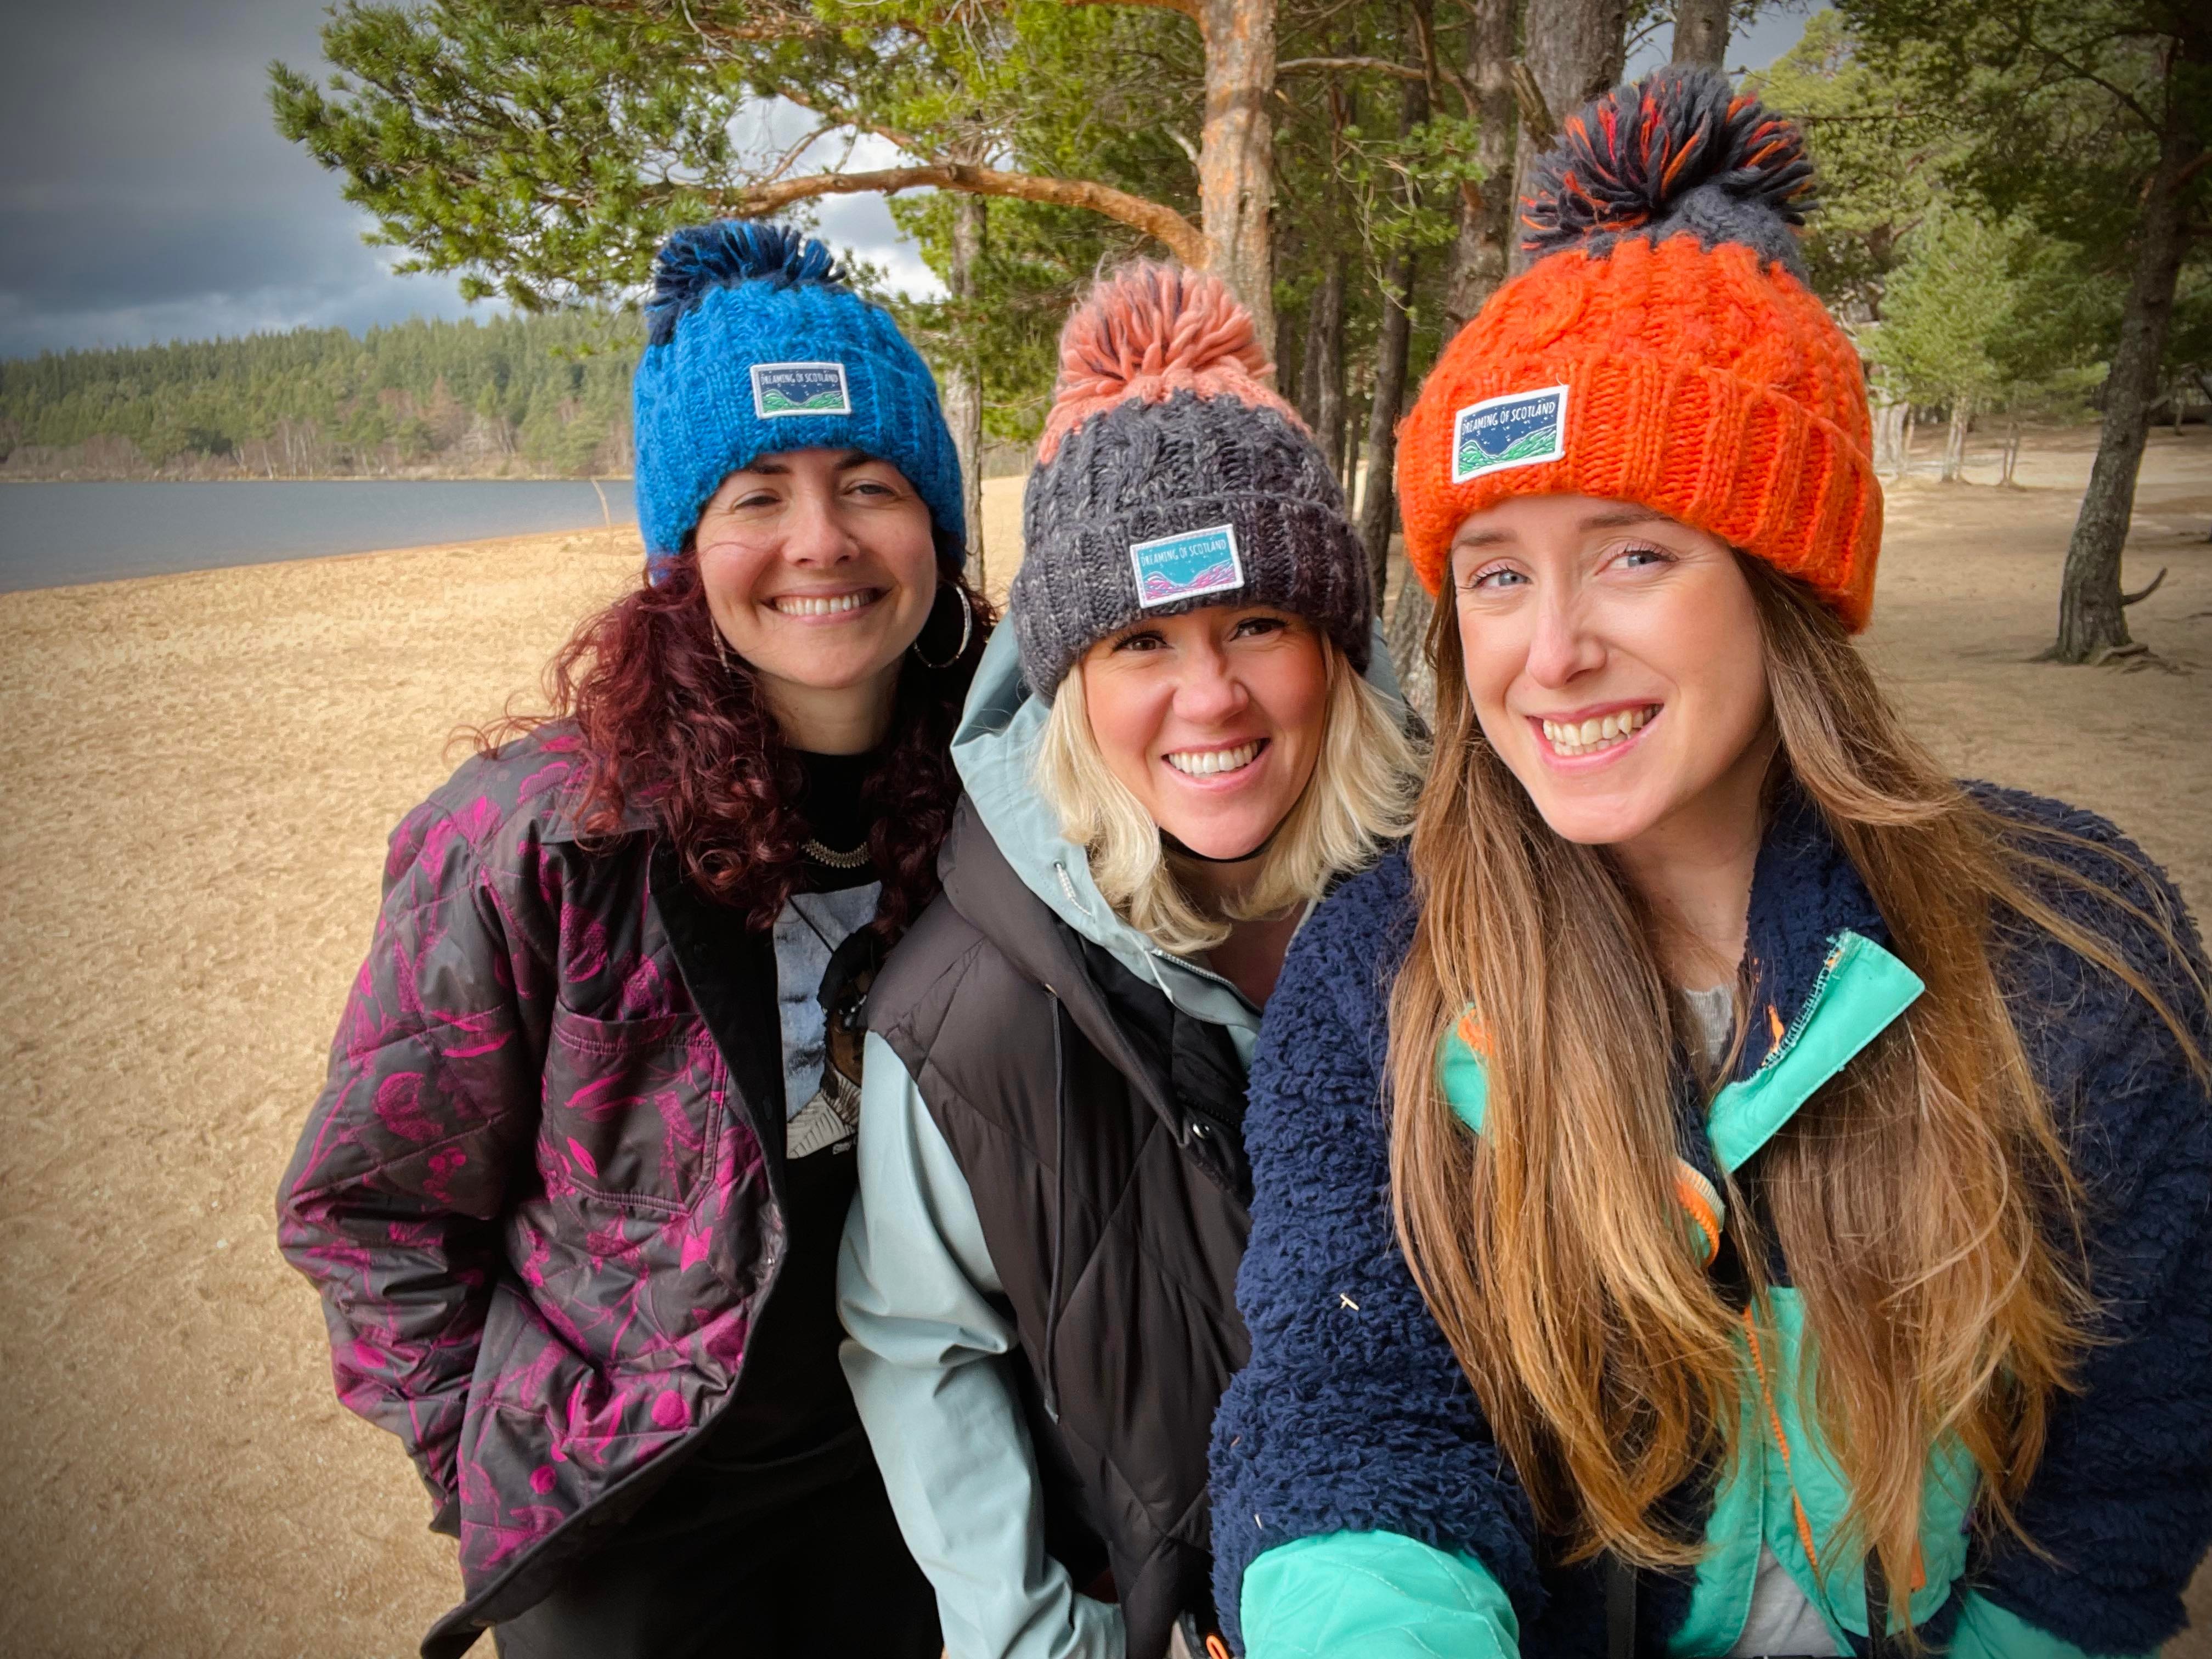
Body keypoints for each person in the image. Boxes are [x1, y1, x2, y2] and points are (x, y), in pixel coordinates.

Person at [1210, 68, 2212, 1659]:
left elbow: (2122, 1471)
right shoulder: (1376, 970)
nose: (1553, 653)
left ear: (1783, 579)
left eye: (1635, 554)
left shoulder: (2075, 953)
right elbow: (1351, 1406)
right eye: (1495, 576)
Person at [276, 222, 985, 1658]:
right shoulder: (538, 836)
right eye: (758, 493)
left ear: (939, 531)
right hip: (637, 1518)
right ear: (681, 549)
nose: (821, 541)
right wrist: (504, 1466)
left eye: (871, 485)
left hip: (930, 1479)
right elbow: (372, 1206)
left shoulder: (1012, 804)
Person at [838, 263, 1421, 1659]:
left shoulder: (1481, 912)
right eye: (1142, 640)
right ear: (1069, 689)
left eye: (1257, 626)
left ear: (1336, 651)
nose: (1207, 696)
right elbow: (924, 1356)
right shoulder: (957, 1020)